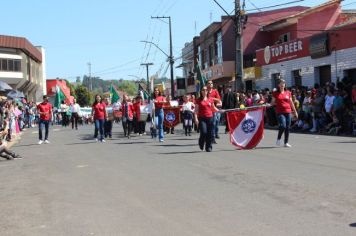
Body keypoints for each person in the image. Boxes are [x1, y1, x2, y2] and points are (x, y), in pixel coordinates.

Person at [271, 79, 298, 147]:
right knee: (283, 126)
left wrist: (295, 112)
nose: (283, 84)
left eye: (283, 83)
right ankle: (279, 138)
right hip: (280, 112)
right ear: (278, 85)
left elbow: (291, 102)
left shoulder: (288, 92)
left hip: (288, 111)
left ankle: (286, 142)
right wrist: (268, 104)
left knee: (288, 127)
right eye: (281, 83)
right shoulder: (275, 93)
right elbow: (272, 102)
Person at [194, 86, 218, 152]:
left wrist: (220, 111)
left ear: (207, 91)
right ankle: (201, 142)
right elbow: (196, 110)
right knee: (204, 132)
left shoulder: (210, 99)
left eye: (206, 90)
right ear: (201, 91)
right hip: (202, 118)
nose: (205, 91)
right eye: (203, 90)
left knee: (210, 133)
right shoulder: (198, 100)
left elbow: (213, 108)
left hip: (210, 118)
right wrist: (196, 119)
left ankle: (208, 147)